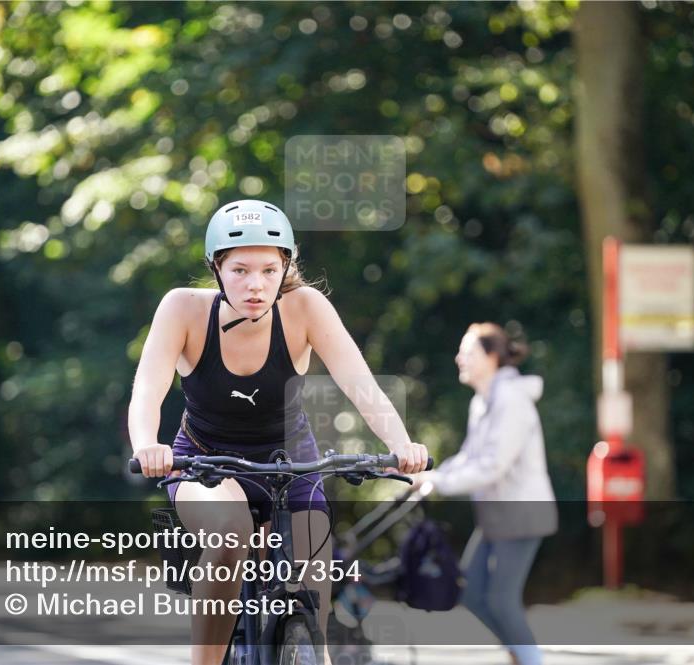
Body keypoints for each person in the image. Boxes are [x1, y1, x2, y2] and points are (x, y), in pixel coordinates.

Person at [128, 199, 429, 665]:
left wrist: (400, 444)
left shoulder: (305, 307)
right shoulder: (183, 309)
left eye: (270, 270)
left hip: (290, 462)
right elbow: (149, 387)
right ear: (216, 268)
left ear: (286, 265)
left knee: (314, 569)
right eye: (241, 270)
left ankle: (313, 652)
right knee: (230, 535)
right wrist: (148, 444)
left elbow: (359, 383)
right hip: (205, 462)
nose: (256, 284)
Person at [412, 323, 557, 665]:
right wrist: (431, 476)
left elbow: (493, 465)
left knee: (502, 599)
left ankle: (530, 659)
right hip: (496, 516)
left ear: (492, 357)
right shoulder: (483, 401)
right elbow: (469, 457)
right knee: (472, 592)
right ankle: (520, 653)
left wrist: (440, 484)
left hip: (521, 515)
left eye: (469, 352)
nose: (459, 358)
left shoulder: (511, 401)